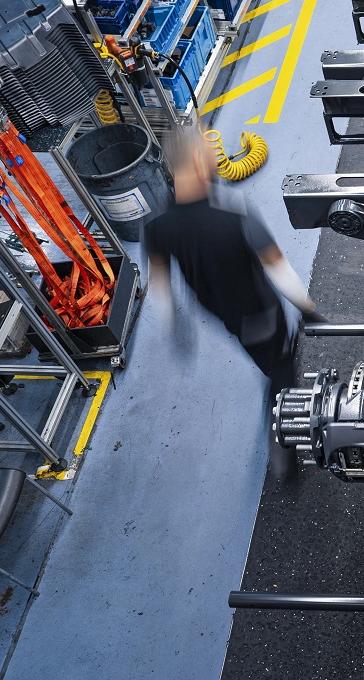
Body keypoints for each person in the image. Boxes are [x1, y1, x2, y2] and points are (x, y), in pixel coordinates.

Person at [146, 125, 326, 481]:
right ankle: (282, 440)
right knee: (281, 371)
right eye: (211, 157)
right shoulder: (232, 213)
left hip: (226, 316)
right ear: (199, 164)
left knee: (263, 356)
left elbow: (160, 284)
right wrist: (307, 308)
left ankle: (275, 383)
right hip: (261, 313)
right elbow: (275, 265)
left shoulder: (158, 227)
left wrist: (175, 328)